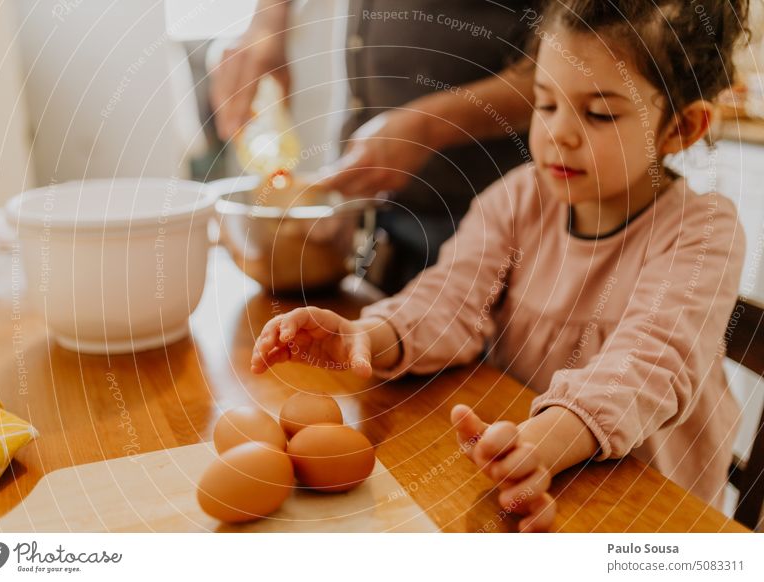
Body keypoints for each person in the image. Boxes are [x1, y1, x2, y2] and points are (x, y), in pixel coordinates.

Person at [249, 0, 750, 532]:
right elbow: (451, 296)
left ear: (682, 128)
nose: (558, 133)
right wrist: (371, 334)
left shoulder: (703, 232)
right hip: (529, 473)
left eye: (600, 113)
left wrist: (547, 439)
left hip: (647, 509)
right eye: (546, 104)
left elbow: (649, 363)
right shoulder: (517, 198)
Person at [210, 0, 539, 293]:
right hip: (380, 226)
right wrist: (269, 19)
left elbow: (572, 69)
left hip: (490, 223)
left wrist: (429, 126)